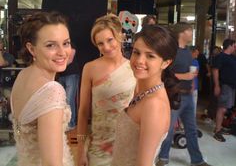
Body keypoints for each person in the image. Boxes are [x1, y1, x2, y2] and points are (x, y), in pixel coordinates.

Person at [10, 11, 74, 166]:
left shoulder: (23, 75)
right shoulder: (51, 90)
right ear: (32, 49)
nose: (62, 52)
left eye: (65, 43)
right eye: (51, 45)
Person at [111, 25, 180, 166]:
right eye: (136, 52)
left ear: (166, 63)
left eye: (150, 56)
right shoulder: (142, 91)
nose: (139, 61)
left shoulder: (154, 105)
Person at [77, 14, 136, 166]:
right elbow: (83, 112)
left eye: (110, 40)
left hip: (127, 143)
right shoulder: (90, 68)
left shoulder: (134, 67)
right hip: (99, 145)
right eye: (100, 44)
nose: (106, 47)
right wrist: (80, 149)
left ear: (119, 36)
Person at [155, 22, 212, 166]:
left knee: (191, 129)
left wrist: (191, 79)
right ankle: (163, 158)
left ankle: (196, 160)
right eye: (190, 30)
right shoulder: (171, 51)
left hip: (188, 95)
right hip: (175, 95)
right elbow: (164, 73)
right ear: (182, 33)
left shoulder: (187, 51)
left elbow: (188, 72)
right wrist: (184, 76)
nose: (192, 33)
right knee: (168, 129)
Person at [212, 38, 236, 142]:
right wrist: (217, 85)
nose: (235, 47)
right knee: (222, 108)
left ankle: (219, 127)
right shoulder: (221, 56)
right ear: (230, 46)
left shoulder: (232, 57)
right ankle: (217, 130)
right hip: (225, 85)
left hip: (232, 86)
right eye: (234, 45)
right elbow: (215, 71)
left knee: (225, 108)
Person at [58, 44, 80, 131]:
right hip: (61, 74)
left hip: (72, 73)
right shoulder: (58, 46)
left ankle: (71, 123)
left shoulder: (71, 44)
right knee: (62, 100)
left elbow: (70, 59)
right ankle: (65, 122)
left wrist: (57, 66)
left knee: (69, 99)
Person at [190, 46, 200, 114]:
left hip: (194, 87)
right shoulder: (185, 61)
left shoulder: (196, 61)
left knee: (193, 106)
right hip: (187, 86)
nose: (196, 56)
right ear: (191, 52)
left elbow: (196, 73)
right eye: (195, 54)